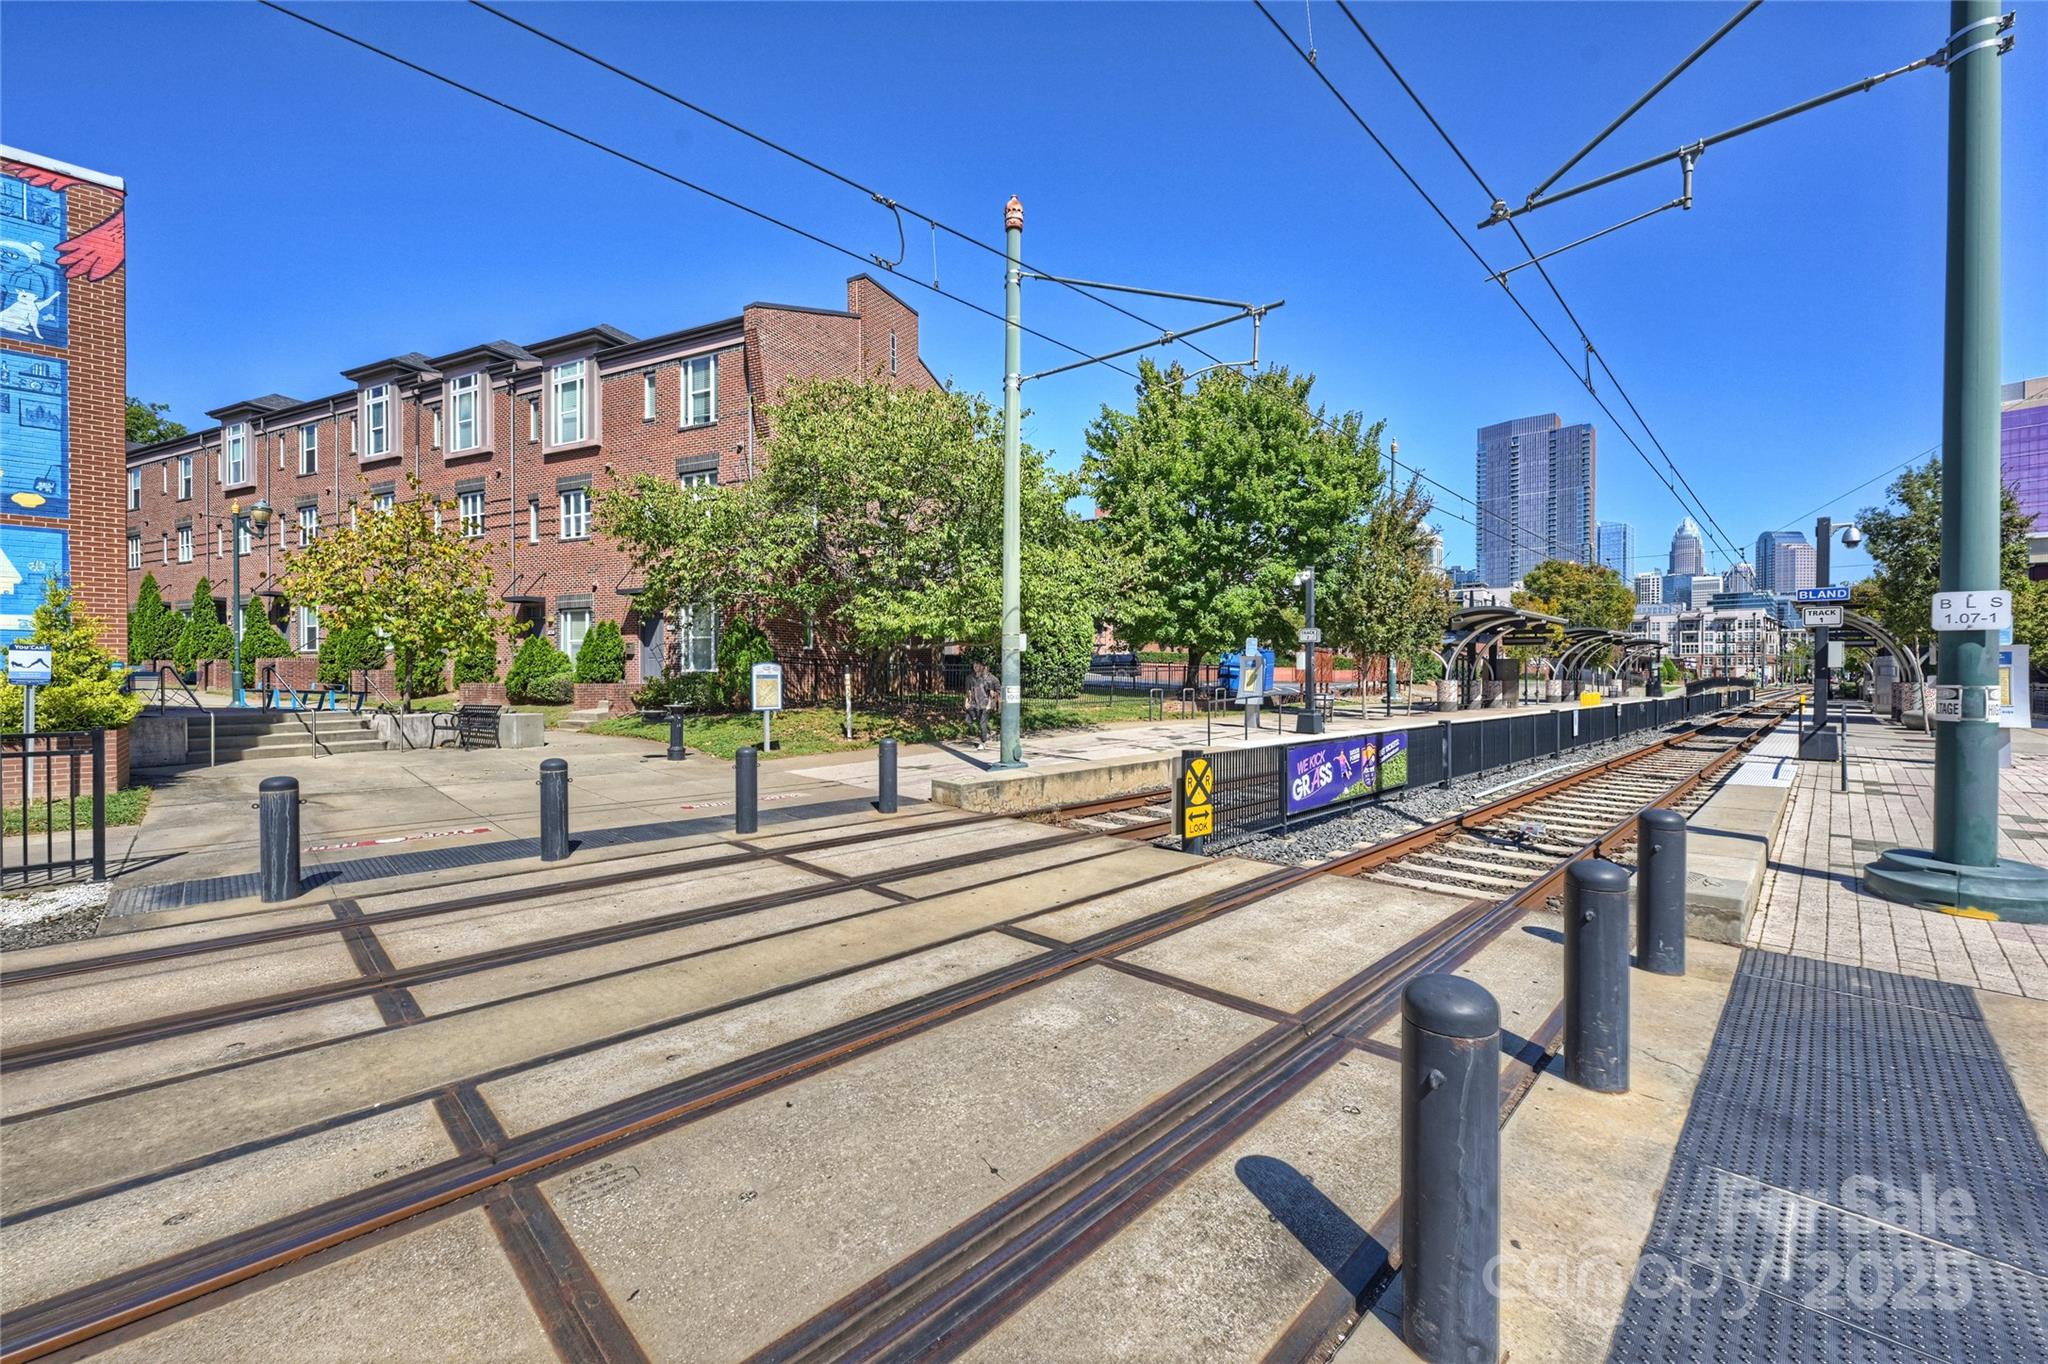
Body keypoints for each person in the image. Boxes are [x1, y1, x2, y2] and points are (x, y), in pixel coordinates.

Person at [966, 660, 998, 749]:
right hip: (975, 704)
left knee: (982, 723)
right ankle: (988, 732)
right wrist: (967, 701)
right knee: (969, 721)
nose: (976, 668)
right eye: (974, 666)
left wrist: (989, 704)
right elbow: (969, 691)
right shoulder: (972, 678)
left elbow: (991, 693)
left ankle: (983, 742)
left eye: (978, 666)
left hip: (985, 704)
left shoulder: (989, 680)